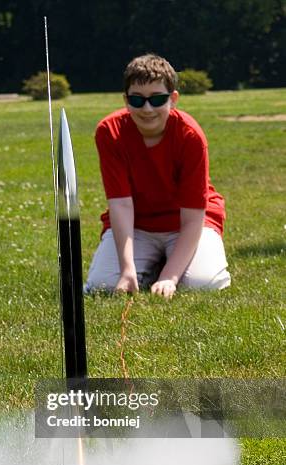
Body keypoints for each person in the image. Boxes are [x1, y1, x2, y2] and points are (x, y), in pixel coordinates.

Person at [85, 53, 230, 299]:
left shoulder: (190, 135)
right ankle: (145, 266)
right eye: (137, 100)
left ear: (173, 99)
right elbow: (120, 204)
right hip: (138, 225)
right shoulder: (109, 132)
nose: (148, 109)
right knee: (103, 286)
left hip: (188, 224)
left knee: (203, 284)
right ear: (126, 100)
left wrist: (170, 277)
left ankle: (165, 266)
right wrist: (127, 269)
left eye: (157, 99)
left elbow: (194, 217)